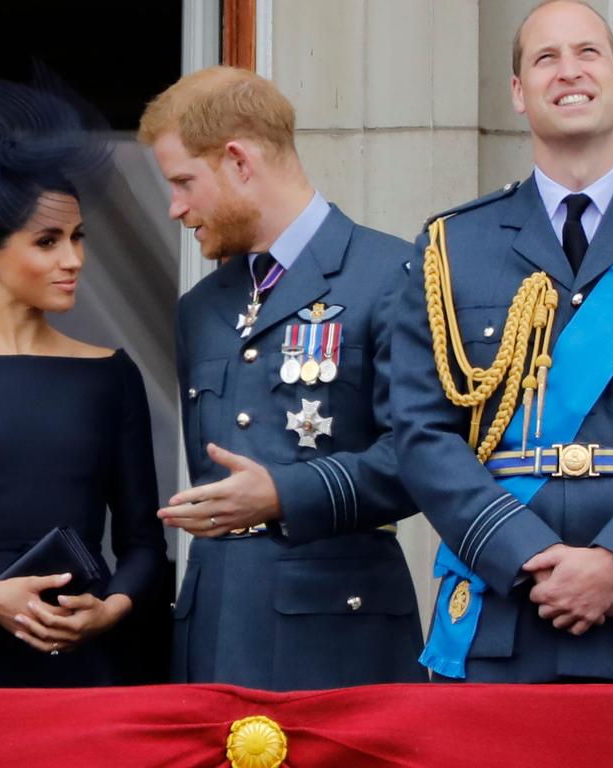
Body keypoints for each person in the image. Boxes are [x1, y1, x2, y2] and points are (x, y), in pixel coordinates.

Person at [391, 0, 613, 683]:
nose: (570, 72)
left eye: (588, 53)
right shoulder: (452, 246)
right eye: (545, 58)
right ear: (518, 93)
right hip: (503, 615)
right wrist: (527, 557)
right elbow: (420, 432)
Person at [138, 66, 426, 691]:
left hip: (338, 635)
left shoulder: (392, 273)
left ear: (238, 161)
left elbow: (422, 457)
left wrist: (284, 494)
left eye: (185, 181)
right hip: (213, 627)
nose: (175, 207)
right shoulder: (200, 308)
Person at [0, 77, 168, 687]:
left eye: (78, 237)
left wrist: (109, 610)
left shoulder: (110, 374)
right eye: (48, 241)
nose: (75, 260)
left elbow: (143, 544)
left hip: (80, 662)